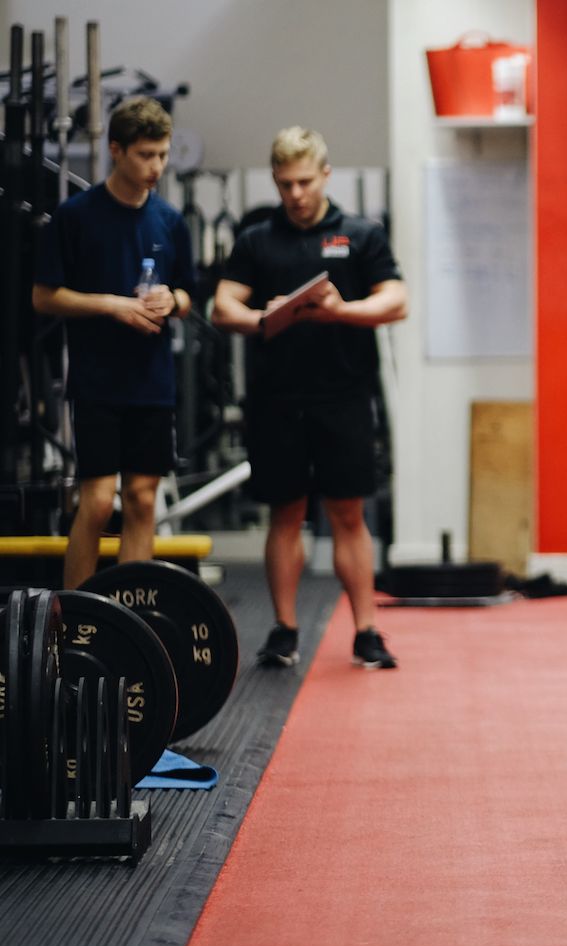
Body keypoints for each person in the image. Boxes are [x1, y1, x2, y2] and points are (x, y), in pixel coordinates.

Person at [211, 127, 407, 670]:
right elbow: (222, 306)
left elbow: (396, 300)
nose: (295, 194)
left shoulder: (360, 235)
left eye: (304, 182)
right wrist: (264, 318)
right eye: (285, 184)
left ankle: (366, 631)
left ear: (325, 174)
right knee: (286, 513)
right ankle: (285, 630)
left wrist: (342, 310)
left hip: (343, 396)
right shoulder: (257, 240)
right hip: (277, 400)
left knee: (348, 513)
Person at [33, 96, 194, 589]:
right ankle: (72, 616)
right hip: (98, 381)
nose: (156, 166)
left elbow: (189, 294)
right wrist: (112, 305)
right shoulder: (76, 216)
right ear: (117, 150)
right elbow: (44, 297)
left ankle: (130, 618)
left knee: (143, 499)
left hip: (152, 382)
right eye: (145, 155)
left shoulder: (170, 221)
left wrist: (172, 300)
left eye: (162, 154)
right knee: (99, 502)